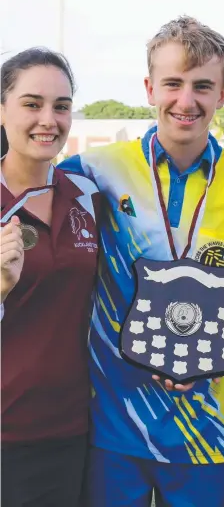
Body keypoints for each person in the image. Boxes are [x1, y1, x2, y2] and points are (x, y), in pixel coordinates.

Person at [59, 16, 224, 507]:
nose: (186, 101)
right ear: (150, 87)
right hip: (115, 420)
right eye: (172, 83)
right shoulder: (94, 169)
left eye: (202, 86)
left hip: (206, 425)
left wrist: (206, 351)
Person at [1, 48, 100, 507]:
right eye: (32, 103)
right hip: (7, 433)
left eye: (61, 106)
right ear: (2, 109)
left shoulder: (86, 196)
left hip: (74, 428)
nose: (49, 119)